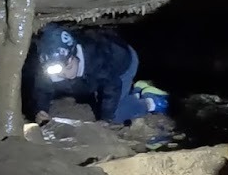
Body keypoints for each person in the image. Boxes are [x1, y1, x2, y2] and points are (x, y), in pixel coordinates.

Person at [23, 23, 167, 125]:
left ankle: (152, 101)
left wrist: (106, 120)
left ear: (74, 55)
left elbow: (112, 87)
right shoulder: (49, 65)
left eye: (68, 66)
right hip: (98, 73)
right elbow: (42, 89)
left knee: (115, 113)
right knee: (95, 97)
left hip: (123, 64)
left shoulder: (96, 60)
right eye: (58, 70)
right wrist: (40, 110)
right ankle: (137, 91)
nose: (65, 74)